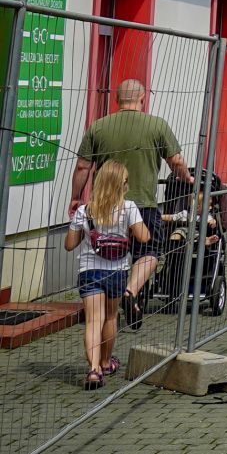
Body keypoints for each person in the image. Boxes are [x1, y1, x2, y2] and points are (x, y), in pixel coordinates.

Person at [69, 79, 190, 332]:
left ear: (116, 98)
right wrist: (186, 178)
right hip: (143, 204)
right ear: (143, 98)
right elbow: (176, 161)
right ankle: (129, 290)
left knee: (109, 252)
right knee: (150, 252)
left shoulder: (99, 126)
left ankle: (102, 300)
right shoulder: (157, 125)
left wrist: (76, 197)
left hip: (102, 206)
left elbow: (82, 166)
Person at [64, 159, 150, 390]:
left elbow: (69, 244)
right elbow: (144, 237)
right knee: (111, 318)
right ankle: (105, 361)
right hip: (117, 271)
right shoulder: (128, 207)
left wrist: (81, 228)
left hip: (89, 270)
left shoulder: (85, 210)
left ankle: (93, 370)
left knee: (93, 321)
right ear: (120, 184)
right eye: (125, 182)